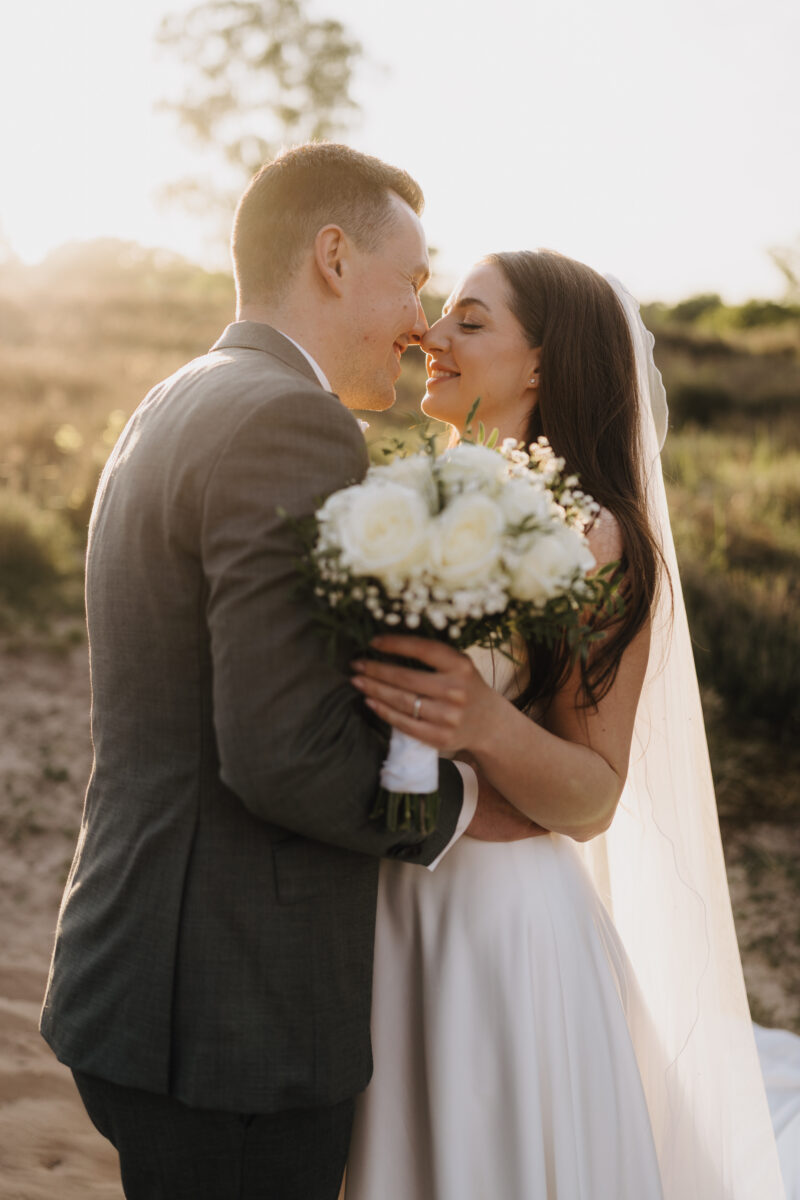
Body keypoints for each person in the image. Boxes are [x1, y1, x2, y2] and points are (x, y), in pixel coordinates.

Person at [39, 144, 537, 1200]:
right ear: (330, 256)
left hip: (138, 980)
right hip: (229, 1017)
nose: (419, 319)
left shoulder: (180, 392)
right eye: (410, 279)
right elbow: (280, 752)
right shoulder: (291, 421)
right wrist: (455, 810)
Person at [345, 251, 786, 1198]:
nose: (430, 334)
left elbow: (591, 797)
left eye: (469, 321)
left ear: (541, 365)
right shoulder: (414, 498)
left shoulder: (597, 537)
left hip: (496, 926)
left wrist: (472, 720)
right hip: (390, 898)